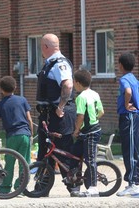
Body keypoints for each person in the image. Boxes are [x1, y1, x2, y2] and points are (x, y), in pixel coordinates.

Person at [35, 33, 76, 195]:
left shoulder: (59, 64)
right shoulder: (49, 63)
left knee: (62, 150)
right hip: (47, 116)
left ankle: (73, 185)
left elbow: (68, 85)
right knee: (46, 151)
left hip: (59, 116)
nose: (41, 50)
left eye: (41, 47)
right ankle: (42, 188)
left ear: (45, 47)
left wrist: (60, 107)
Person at [0, 76, 33, 193]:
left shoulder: (0, 104)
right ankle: (20, 187)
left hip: (12, 136)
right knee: (25, 162)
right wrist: (31, 134)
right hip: (24, 135)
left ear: (1, 90)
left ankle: (5, 188)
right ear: (15, 87)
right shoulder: (22, 100)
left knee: (10, 162)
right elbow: (29, 119)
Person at [69, 69, 104, 197]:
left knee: (89, 159)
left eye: (74, 82)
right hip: (92, 129)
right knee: (75, 154)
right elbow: (101, 112)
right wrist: (94, 119)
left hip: (90, 132)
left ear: (77, 83)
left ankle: (93, 187)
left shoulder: (81, 97)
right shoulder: (95, 94)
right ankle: (76, 184)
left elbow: (80, 116)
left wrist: (76, 130)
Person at [116, 52, 139, 197]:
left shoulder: (124, 79)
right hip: (134, 116)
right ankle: (135, 182)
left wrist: (126, 104)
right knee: (134, 149)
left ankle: (132, 183)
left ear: (121, 65)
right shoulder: (134, 78)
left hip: (128, 116)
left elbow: (128, 91)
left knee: (129, 150)